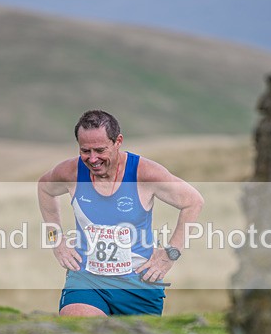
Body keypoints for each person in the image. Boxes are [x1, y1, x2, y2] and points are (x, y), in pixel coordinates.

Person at [38, 109, 204, 316]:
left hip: (138, 284)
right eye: (85, 151)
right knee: (79, 326)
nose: (92, 159)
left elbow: (193, 201)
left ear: (118, 141)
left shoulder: (145, 173)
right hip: (87, 278)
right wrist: (57, 240)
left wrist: (170, 255)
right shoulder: (71, 171)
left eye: (100, 150)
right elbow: (45, 187)